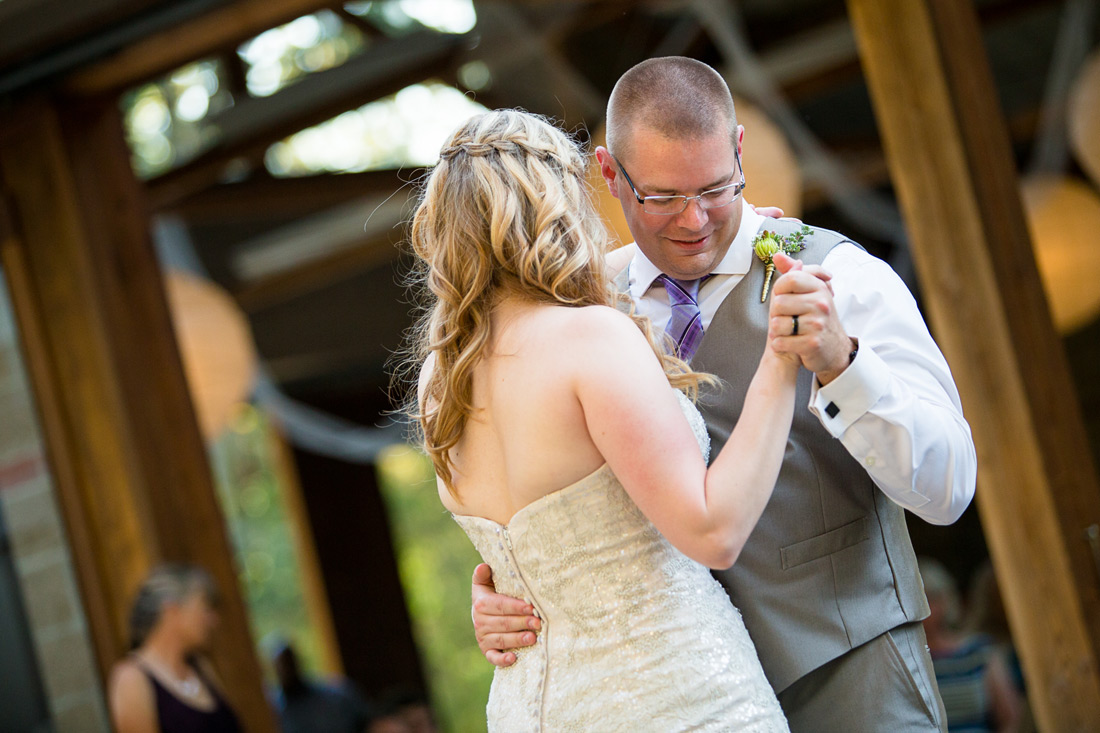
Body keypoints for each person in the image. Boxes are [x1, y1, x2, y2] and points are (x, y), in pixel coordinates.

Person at [471, 56, 978, 732]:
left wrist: (844, 365)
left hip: (854, 674)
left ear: (740, 149)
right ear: (611, 175)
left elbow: (949, 487)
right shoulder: (583, 316)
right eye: (662, 197)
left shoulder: (841, 273)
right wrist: (510, 590)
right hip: (689, 699)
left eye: (715, 188)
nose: (694, 220)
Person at [405, 107, 813, 729]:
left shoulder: (441, 379)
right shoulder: (590, 339)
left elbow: (535, 549)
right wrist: (783, 360)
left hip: (528, 708)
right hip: (673, 698)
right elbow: (713, 532)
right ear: (559, 202)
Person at [109, 564, 243, 733]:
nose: (213, 619)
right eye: (204, 606)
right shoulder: (132, 678)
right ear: (172, 611)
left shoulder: (201, 667)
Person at [919, 557, 1021, 732]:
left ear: (947, 599)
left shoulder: (978, 652)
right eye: (919, 599)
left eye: (931, 597)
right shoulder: (908, 659)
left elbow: (1009, 718)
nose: (925, 607)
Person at [268, 637, 372, 733]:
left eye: (288, 663)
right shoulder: (274, 711)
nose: (285, 671)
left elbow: (369, 722)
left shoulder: (338, 695)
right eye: (280, 666)